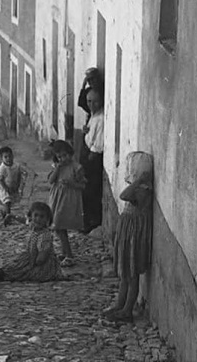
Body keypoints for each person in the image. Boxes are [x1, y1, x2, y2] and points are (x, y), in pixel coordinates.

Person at [103, 152, 153, 323]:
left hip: (133, 237)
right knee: (125, 275)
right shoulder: (138, 188)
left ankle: (127, 310)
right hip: (127, 234)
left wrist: (137, 182)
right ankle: (120, 305)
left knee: (131, 276)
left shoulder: (143, 190)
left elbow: (124, 196)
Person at [48, 140, 86, 267]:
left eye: (65, 155)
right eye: (59, 157)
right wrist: (57, 169)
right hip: (56, 199)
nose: (63, 159)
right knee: (58, 226)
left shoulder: (77, 167)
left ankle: (69, 255)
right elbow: (51, 181)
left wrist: (71, 184)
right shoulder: (56, 167)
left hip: (68, 200)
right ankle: (64, 252)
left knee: (60, 226)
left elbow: (83, 185)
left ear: (70, 153)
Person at [3, 202, 62, 282]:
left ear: (47, 219)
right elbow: (24, 220)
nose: (38, 219)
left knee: (22, 273)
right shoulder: (33, 226)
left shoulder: (45, 235)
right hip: (32, 256)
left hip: (42, 262)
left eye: (42, 216)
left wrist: (34, 264)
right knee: (12, 267)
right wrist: (13, 216)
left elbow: (43, 253)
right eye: (36, 215)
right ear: (31, 216)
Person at [81, 89, 104, 233]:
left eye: (95, 101)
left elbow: (98, 144)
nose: (91, 105)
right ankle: (88, 219)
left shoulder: (101, 118)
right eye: (89, 101)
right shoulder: (93, 115)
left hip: (93, 158)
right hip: (88, 152)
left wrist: (90, 157)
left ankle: (92, 221)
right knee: (86, 190)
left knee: (91, 191)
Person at [0, 146, 26, 225]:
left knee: (11, 201)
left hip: (13, 186)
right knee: (7, 201)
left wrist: (18, 185)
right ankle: (8, 216)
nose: (8, 158)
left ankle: (4, 211)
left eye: (10, 156)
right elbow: (0, 180)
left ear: (13, 156)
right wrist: (6, 188)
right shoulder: (1, 168)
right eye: (5, 157)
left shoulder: (16, 166)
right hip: (4, 188)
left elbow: (19, 175)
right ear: (2, 158)